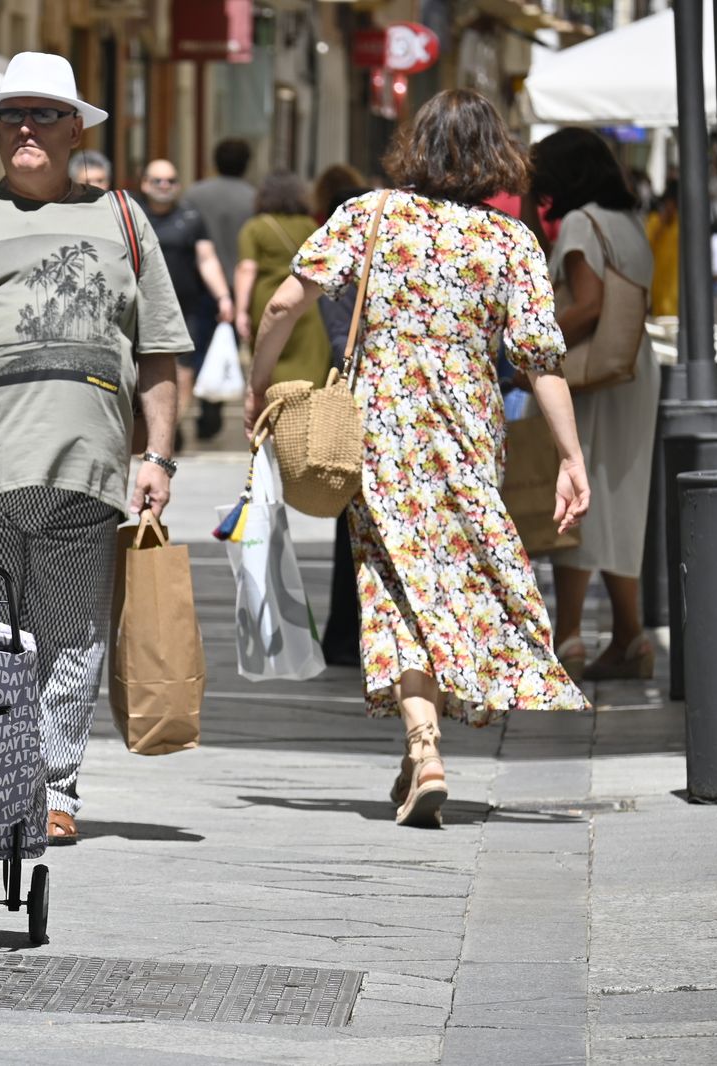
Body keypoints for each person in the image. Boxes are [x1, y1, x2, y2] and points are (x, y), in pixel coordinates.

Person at [246, 89, 590, 828]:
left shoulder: (370, 216)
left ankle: (424, 746)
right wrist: (571, 456)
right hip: (467, 434)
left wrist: (257, 384)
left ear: (416, 145)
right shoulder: (510, 241)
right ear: (497, 155)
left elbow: (281, 306)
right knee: (453, 580)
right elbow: (541, 358)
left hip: (382, 437)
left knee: (394, 585)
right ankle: (425, 747)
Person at [0, 52, 191, 845]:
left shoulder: (121, 218)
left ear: (75, 128)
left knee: (71, 638)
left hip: (84, 479)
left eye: (45, 113)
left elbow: (158, 352)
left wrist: (157, 456)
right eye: (11, 112)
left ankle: (54, 790)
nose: (24, 126)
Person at [530, 127, 661, 682]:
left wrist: (530, 340)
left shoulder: (583, 221)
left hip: (590, 371)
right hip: (633, 366)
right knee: (618, 500)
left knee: (577, 496)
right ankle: (630, 637)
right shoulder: (629, 221)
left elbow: (588, 305)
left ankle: (569, 637)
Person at [309, 162, 372, 669]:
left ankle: (346, 638)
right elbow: (339, 342)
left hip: (361, 408)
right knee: (355, 526)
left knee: (352, 527)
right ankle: (347, 638)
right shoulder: (346, 274)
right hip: (362, 408)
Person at [138, 157, 235, 450]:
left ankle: (167, 432)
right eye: (158, 181)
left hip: (184, 308)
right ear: (145, 184)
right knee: (141, 369)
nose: (165, 186)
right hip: (141, 307)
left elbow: (207, 259)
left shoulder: (191, 218)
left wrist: (223, 296)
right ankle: (145, 429)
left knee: (183, 371)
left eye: (171, 181)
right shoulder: (135, 216)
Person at [234, 171, 328, 388]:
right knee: (307, 361)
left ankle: (273, 410)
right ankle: (303, 411)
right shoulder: (309, 225)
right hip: (305, 301)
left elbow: (246, 269)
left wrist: (241, 311)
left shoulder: (255, 227)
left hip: (266, 301)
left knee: (268, 359)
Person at [188, 138, 258, 301]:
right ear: (246, 164)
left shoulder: (194, 195)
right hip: (243, 286)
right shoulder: (254, 199)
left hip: (201, 285)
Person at [646, 179, 679, 317]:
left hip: (675, 292)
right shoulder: (655, 221)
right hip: (658, 291)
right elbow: (646, 246)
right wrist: (661, 223)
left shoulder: (681, 225)